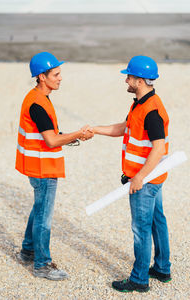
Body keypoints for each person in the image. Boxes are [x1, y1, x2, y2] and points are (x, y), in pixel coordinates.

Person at [88, 55, 171, 293]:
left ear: (141, 80)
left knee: (141, 229)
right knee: (157, 222)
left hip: (144, 180)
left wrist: (139, 177)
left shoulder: (151, 110)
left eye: (130, 76)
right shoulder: (139, 103)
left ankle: (139, 279)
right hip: (153, 178)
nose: (126, 80)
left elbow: (158, 148)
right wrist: (95, 129)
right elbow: (123, 128)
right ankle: (162, 268)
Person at [15, 52, 93, 280]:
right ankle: (42, 265)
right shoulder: (38, 104)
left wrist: (72, 137)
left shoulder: (36, 97)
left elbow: (49, 134)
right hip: (42, 168)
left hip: (36, 165)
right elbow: (50, 140)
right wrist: (78, 133)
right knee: (43, 217)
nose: (60, 78)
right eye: (56, 74)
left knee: (38, 209)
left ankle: (27, 252)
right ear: (41, 77)